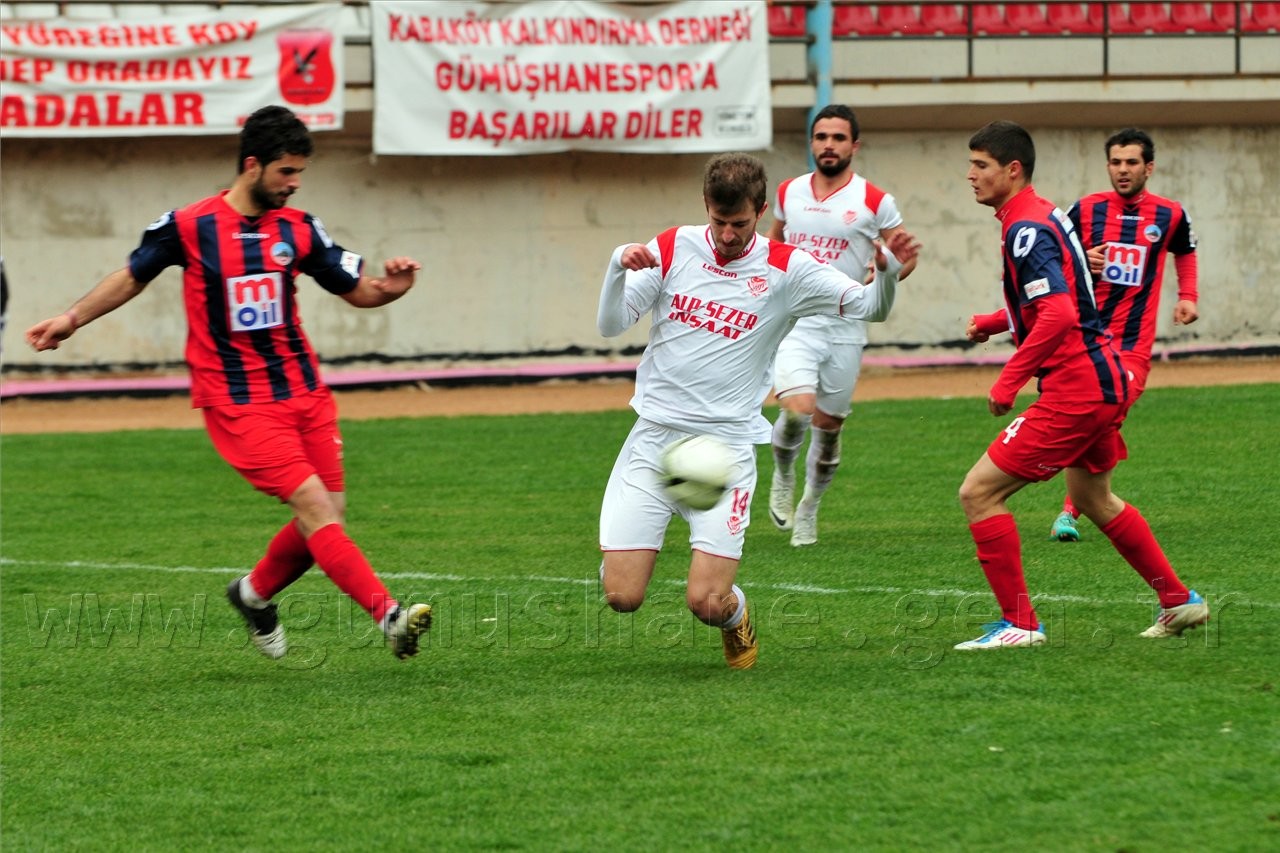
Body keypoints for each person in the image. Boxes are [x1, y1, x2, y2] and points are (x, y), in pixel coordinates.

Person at [25, 105, 433, 662]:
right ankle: (388, 615)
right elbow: (131, 276)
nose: (293, 184)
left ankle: (254, 594)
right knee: (314, 505)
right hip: (237, 401)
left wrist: (395, 286)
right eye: (286, 173)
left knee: (328, 516)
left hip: (304, 391)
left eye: (299, 174)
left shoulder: (300, 228)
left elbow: (359, 290)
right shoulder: (188, 226)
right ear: (252, 165)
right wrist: (71, 319)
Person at [596, 152, 921, 669]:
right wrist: (617, 265)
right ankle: (622, 560)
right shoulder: (671, 246)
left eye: (741, 223)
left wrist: (886, 275)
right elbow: (611, 324)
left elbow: (868, 308)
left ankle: (736, 615)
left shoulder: (787, 268)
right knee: (622, 598)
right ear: (706, 206)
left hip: (720, 450)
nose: (728, 235)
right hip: (654, 439)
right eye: (719, 222)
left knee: (706, 603)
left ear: (761, 210)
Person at [956, 120, 1208, 650]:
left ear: (1012, 169)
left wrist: (1009, 379)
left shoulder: (1025, 228)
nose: (970, 175)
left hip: (1078, 388)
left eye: (980, 165)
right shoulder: (1047, 213)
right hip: (1107, 376)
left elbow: (1059, 312)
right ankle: (1179, 601)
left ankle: (1020, 624)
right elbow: (1068, 294)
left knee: (979, 493)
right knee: (1094, 498)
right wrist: (996, 320)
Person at [765, 104, 918, 546]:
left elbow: (903, 256)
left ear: (854, 145)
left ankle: (810, 508)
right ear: (811, 143)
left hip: (848, 325)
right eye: (821, 137)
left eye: (837, 137)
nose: (828, 145)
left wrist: (887, 271)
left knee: (829, 429)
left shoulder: (875, 200)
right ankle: (782, 476)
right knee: (797, 411)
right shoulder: (788, 191)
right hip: (798, 322)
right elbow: (774, 243)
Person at [1049, 127, 1199, 542]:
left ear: (1148, 167)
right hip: (1086, 341)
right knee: (1093, 421)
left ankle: (1072, 509)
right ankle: (1079, 507)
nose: (1123, 170)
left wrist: (1187, 296)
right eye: (1116, 162)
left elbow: (1185, 251)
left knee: (1105, 417)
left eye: (1131, 162)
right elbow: (1053, 256)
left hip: (1132, 347)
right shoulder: (1085, 210)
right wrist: (1081, 257)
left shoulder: (1169, 214)